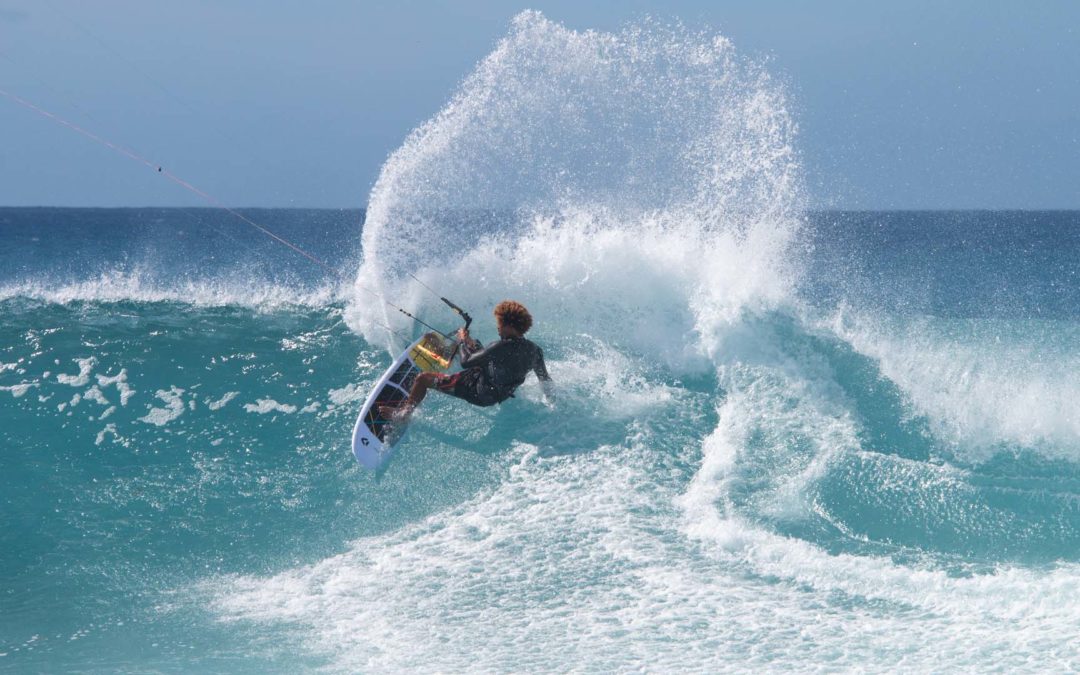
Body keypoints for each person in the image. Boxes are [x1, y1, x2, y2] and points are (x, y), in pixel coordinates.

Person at [379, 300, 553, 421]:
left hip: (478, 392)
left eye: (499, 324)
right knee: (475, 344)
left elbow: (466, 362)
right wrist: (552, 403)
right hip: (501, 393)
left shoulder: (500, 347)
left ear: (508, 326)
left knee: (422, 379)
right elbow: (545, 380)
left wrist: (462, 339)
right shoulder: (535, 351)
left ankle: (404, 414)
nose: (498, 327)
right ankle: (447, 351)